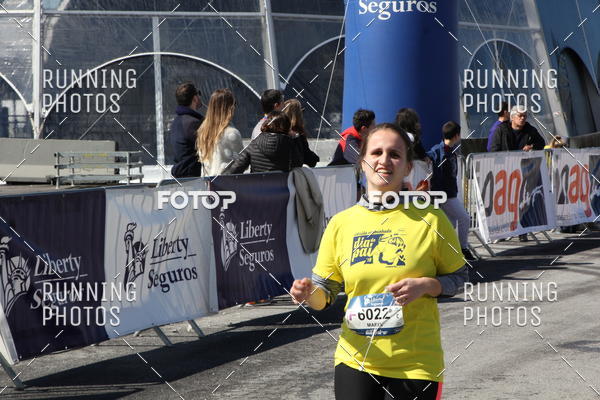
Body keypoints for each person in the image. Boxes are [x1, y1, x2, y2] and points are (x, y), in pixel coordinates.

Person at [290, 123, 468, 400]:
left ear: (408, 168)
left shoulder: (431, 219)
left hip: (415, 364)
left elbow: (459, 278)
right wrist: (308, 293)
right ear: (362, 163)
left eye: (395, 154)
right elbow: (325, 293)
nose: (384, 160)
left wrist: (426, 285)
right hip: (355, 360)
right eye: (376, 153)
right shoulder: (341, 224)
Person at [490, 105, 545, 241]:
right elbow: (493, 149)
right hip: (505, 171)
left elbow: (541, 143)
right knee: (504, 201)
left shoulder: (530, 129)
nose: (522, 118)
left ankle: (522, 231)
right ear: (512, 117)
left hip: (523, 171)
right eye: (520, 116)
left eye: (525, 116)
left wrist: (531, 146)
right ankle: (502, 231)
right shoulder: (501, 129)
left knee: (521, 201)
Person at [427, 121, 476, 261]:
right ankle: (463, 249)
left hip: (449, 192)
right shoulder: (437, 151)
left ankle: (446, 253)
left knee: (450, 224)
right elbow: (428, 157)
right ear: (456, 136)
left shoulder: (451, 151)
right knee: (464, 218)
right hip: (444, 195)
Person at [223, 111, 300, 174]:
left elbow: (235, 169)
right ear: (287, 127)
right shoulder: (290, 144)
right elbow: (298, 165)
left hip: (256, 187)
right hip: (284, 187)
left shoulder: (254, 144)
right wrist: (296, 138)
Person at [196, 89, 243, 177]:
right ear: (230, 108)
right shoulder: (231, 133)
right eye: (234, 104)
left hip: (208, 183)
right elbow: (242, 163)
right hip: (228, 182)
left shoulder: (203, 132)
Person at [170, 82, 204, 178]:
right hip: (191, 178)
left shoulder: (176, 121)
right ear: (195, 98)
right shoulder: (193, 123)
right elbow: (209, 147)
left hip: (181, 176)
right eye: (198, 93)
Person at [282, 99, 320, 167]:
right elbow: (308, 158)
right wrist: (316, 158)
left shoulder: (278, 131)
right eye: (301, 112)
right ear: (298, 115)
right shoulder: (297, 135)